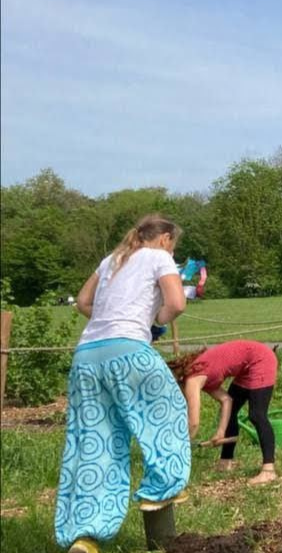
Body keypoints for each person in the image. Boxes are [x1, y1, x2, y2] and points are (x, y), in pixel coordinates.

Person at [55, 215, 191, 553]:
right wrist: (154, 322)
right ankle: (161, 488)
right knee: (167, 416)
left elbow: (83, 303)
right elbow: (176, 303)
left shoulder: (111, 260)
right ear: (165, 239)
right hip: (129, 349)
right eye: (173, 245)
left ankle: (85, 537)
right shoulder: (160, 257)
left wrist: (110, 318)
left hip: (86, 357)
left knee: (96, 444)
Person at [167, 339, 280, 485]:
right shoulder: (198, 374)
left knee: (257, 415)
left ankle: (268, 470)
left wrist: (180, 447)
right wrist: (220, 432)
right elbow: (227, 401)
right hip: (247, 365)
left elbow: (193, 424)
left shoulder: (192, 380)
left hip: (261, 359)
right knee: (232, 409)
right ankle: (225, 462)